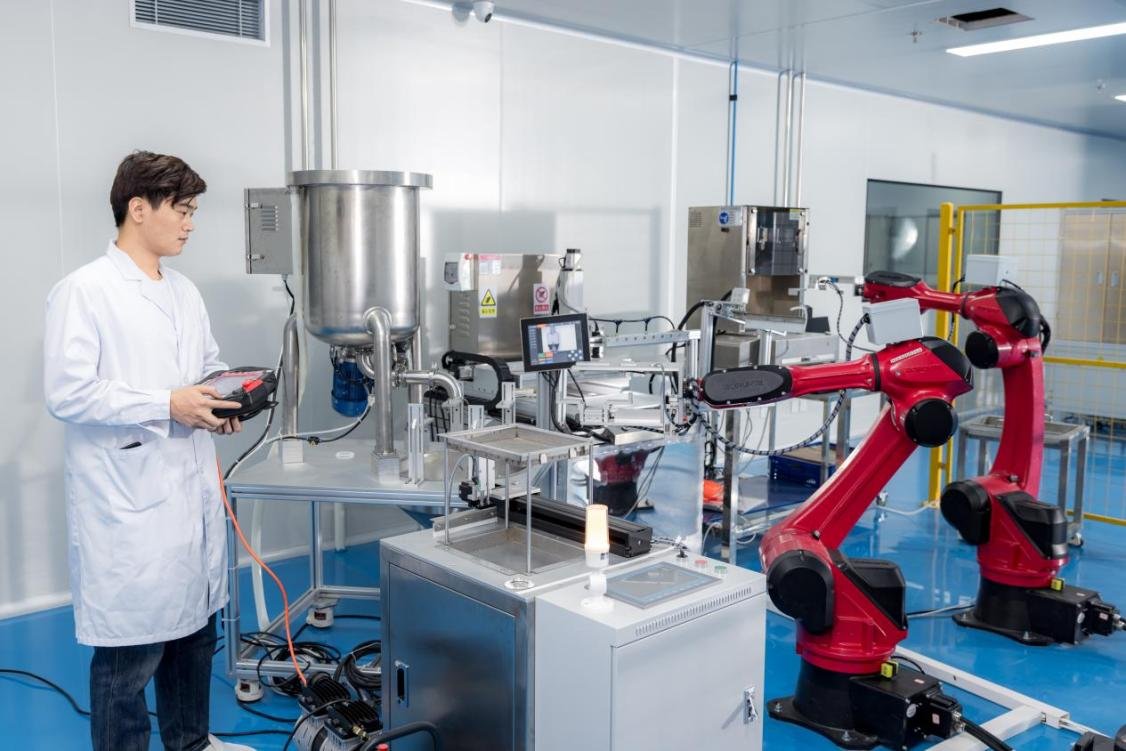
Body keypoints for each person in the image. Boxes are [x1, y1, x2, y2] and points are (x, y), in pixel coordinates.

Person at [44, 151, 254, 751]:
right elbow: (67, 392)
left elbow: (206, 366)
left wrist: (220, 401)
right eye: (181, 210)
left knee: (194, 634)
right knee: (128, 659)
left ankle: (191, 743)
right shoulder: (84, 291)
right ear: (138, 209)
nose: (190, 223)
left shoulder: (184, 291)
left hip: (188, 488)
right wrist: (167, 404)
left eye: (193, 212)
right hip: (127, 503)